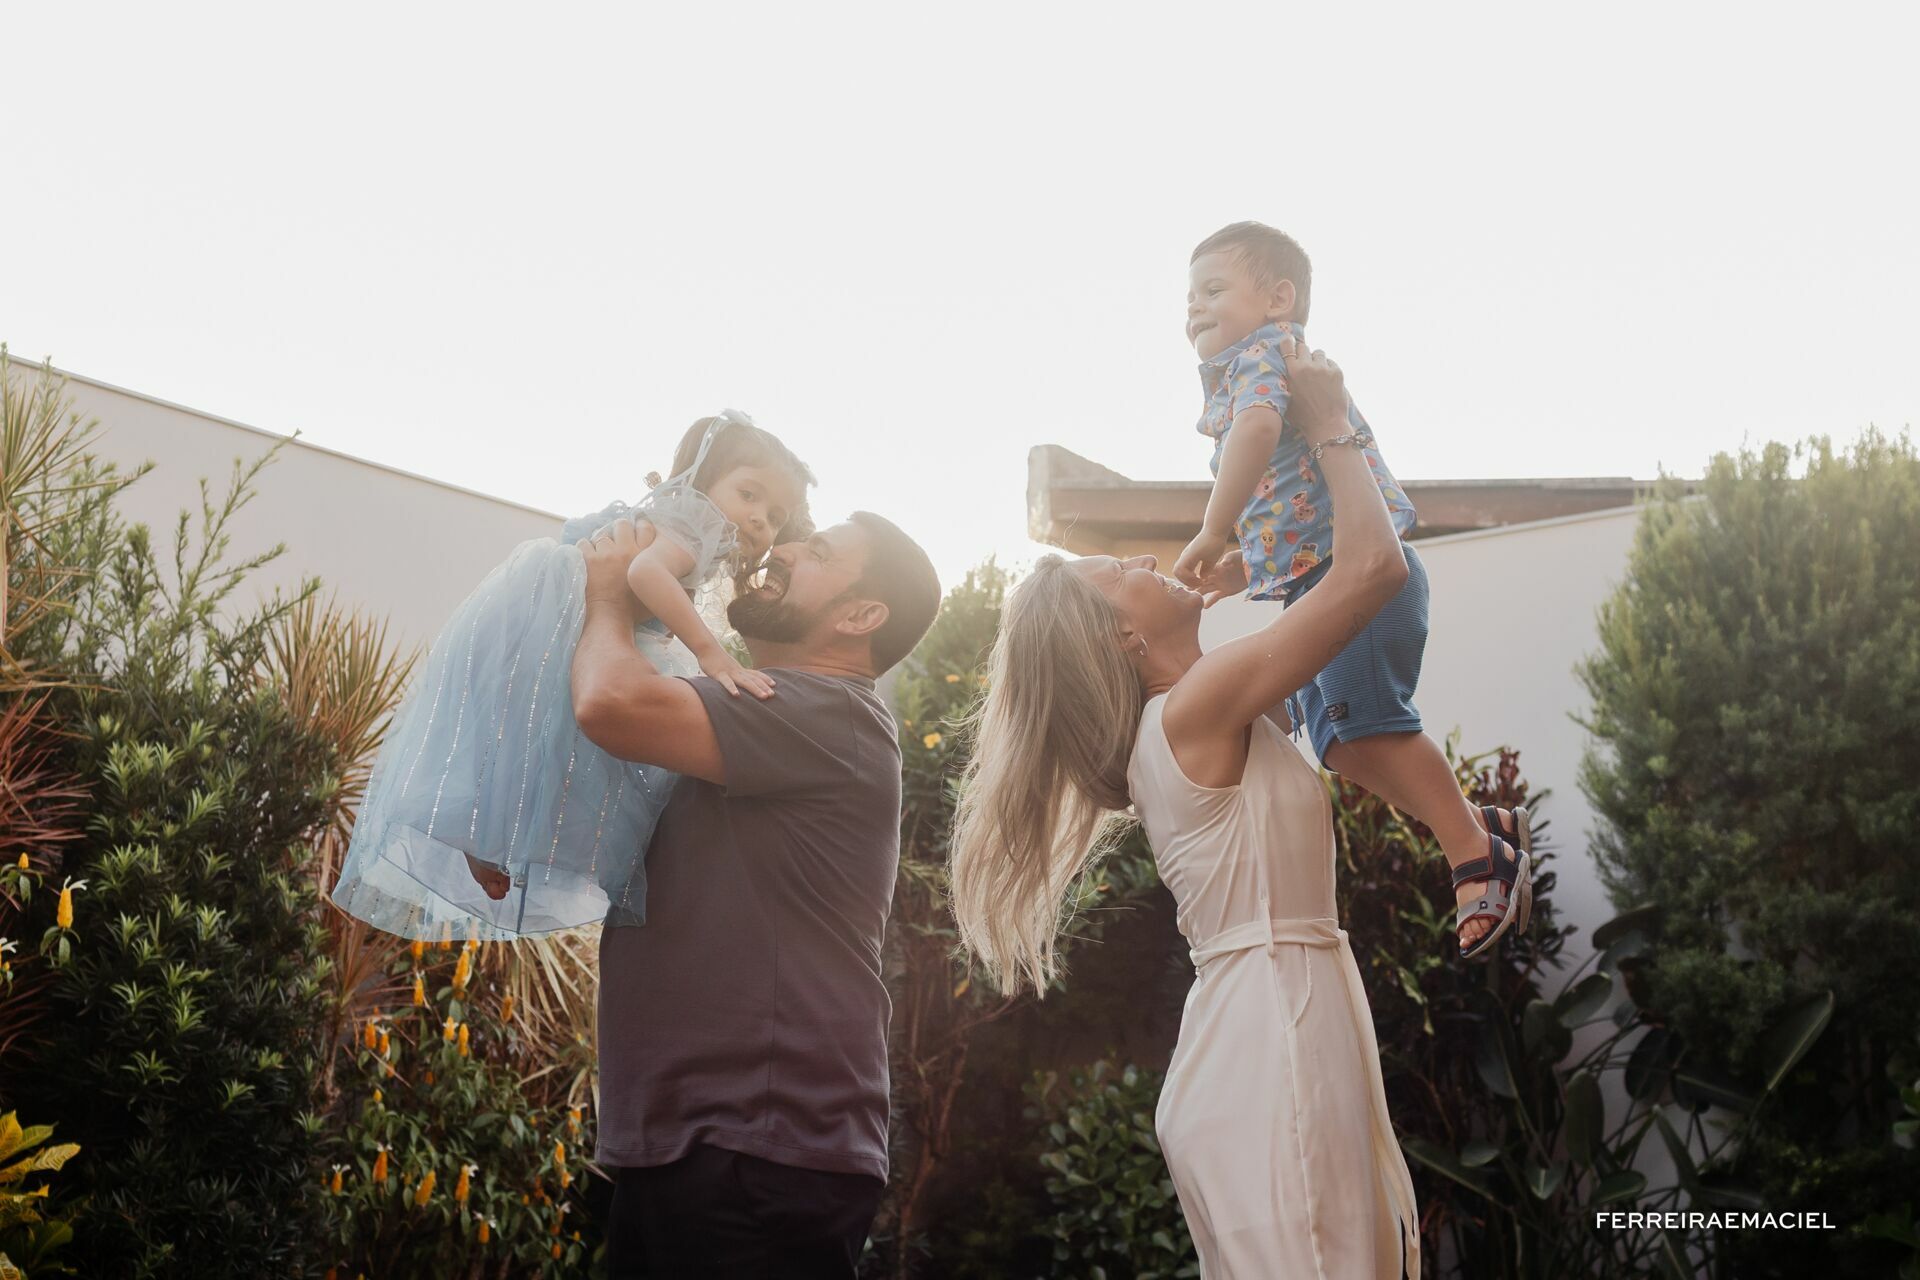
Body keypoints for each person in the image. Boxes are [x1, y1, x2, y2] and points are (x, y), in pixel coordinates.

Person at [952, 336, 1421, 1278]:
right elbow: (1372, 572)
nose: (1139, 555)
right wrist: (1332, 424)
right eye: (1118, 569)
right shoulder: (1194, 713)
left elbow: (1323, 600)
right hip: (1272, 1033)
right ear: (1124, 634)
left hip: (1270, 1019)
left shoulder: (1199, 715)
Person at [571, 509, 940, 1278]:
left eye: (820, 551)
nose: (785, 548)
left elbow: (608, 703)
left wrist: (609, 597)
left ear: (860, 615)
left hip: (756, 1148)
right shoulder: (751, 720)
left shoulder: (826, 712)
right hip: (703, 1143)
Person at [1172, 221, 1530, 958]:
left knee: (1373, 726)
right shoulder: (1248, 363)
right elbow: (1292, 501)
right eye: (1188, 298)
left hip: (1355, 579)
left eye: (1212, 290)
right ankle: (1479, 825)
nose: (1194, 310)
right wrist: (1248, 563)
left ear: (1279, 298)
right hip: (1316, 578)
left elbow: (1259, 434)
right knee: (1340, 744)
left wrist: (1212, 529)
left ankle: (1473, 852)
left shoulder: (1264, 357)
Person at [332, 409, 814, 940]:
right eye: (749, 494)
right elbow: (645, 572)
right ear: (707, 481)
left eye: (774, 514)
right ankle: (494, 841)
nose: (759, 520)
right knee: (554, 742)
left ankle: (488, 840)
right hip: (562, 615)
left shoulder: (696, 529)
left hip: (570, 622)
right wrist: (710, 653)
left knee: (540, 744)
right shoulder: (694, 521)